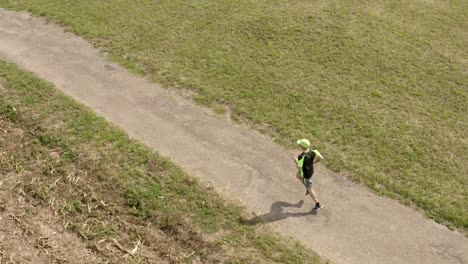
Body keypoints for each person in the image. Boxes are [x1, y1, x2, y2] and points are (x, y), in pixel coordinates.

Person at [293, 138, 323, 211]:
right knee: (297, 175)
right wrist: (314, 162)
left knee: (310, 189)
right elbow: (321, 158)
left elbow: (299, 167)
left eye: (300, 145)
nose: (299, 145)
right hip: (311, 170)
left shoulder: (301, 156)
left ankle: (317, 204)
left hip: (306, 174)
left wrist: (296, 161)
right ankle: (307, 187)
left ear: (302, 147)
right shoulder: (313, 151)